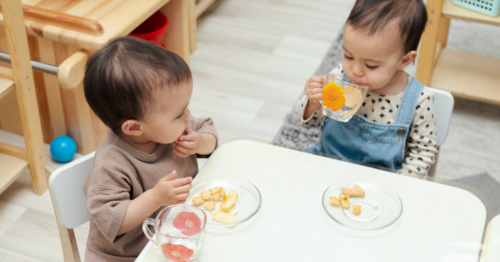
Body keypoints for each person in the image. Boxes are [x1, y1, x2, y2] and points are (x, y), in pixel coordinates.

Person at [82, 37, 218, 262]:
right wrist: (156, 197)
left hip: (174, 237)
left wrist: (201, 142)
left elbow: (208, 130)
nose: (188, 116)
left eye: (186, 107)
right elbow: (110, 220)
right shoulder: (111, 163)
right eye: (178, 113)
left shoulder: (176, 127)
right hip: (124, 257)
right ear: (135, 127)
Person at [296, 0, 437, 175]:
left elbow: (422, 153)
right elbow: (309, 123)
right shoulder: (341, 77)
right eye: (348, 56)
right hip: (326, 165)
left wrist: (400, 186)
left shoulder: (419, 100)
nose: (355, 71)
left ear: (404, 60)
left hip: (380, 183)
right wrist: (313, 103)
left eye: (370, 66)